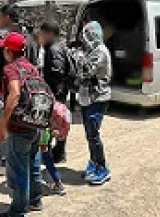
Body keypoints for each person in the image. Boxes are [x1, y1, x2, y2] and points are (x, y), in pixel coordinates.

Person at [0, 30, 44, 217]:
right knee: (33, 164)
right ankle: (35, 200)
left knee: (19, 169)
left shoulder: (11, 69)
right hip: (35, 123)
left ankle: (17, 212)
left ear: (8, 51)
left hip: (19, 126)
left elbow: (14, 94)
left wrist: (3, 124)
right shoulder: (32, 68)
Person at [0, 4, 35, 177]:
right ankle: (21, 158)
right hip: (27, 86)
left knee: (4, 122)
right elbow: (34, 62)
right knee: (23, 122)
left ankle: (5, 161)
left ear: (6, 17)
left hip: (6, 87)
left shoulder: (1, 36)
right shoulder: (29, 35)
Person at [75, 21, 112, 186]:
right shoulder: (91, 50)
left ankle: (103, 168)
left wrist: (77, 58)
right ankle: (93, 162)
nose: (83, 39)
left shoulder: (101, 52)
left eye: (86, 35)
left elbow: (86, 71)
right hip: (87, 98)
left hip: (98, 98)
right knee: (90, 135)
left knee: (94, 135)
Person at [37, 20, 71, 163]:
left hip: (55, 93)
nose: (41, 36)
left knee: (51, 124)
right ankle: (57, 152)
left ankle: (52, 154)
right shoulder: (59, 46)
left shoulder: (54, 49)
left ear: (49, 33)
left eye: (42, 33)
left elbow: (57, 71)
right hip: (59, 92)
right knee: (58, 122)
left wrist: (49, 91)